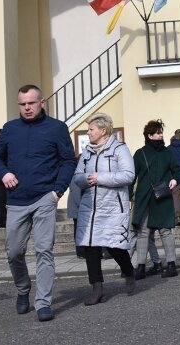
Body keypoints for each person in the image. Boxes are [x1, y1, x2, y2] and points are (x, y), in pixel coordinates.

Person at [0, 84, 77, 322]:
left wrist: (58, 191)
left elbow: (68, 161)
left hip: (45, 198)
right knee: (14, 251)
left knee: (44, 250)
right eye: (22, 104)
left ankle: (44, 302)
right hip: (15, 200)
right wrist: (4, 173)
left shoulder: (57, 128)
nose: (26, 108)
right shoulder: (10, 129)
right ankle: (23, 289)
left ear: (42, 102)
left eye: (31, 103)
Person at [72, 112, 136, 305]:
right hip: (90, 207)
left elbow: (128, 175)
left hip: (112, 206)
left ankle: (129, 271)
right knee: (90, 246)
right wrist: (87, 179)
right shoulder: (87, 152)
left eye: (91, 129)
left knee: (113, 245)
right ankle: (97, 288)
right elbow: (77, 177)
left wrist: (100, 177)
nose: (89, 132)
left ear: (103, 130)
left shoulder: (119, 149)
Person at [131, 119, 180, 279]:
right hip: (144, 199)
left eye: (161, 132)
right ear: (149, 135)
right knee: (142, 232)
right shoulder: (140, 153)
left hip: (162, 197)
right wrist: (126, 197)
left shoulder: (168, 152)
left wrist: (175, 179)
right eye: (158, 132)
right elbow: (131, 176)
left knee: (165, 231)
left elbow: (178, 171)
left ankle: (171, 265)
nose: (161, 135)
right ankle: (140, 267)